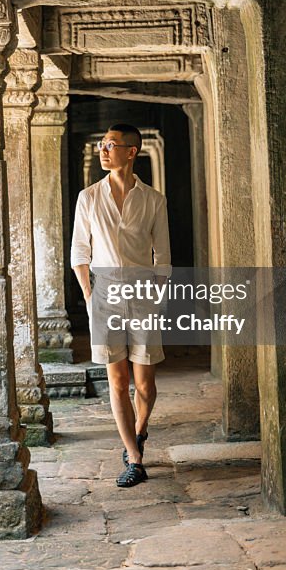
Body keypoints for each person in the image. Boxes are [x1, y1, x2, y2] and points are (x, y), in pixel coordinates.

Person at [70, 123, 171, 488]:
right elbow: (79, 252)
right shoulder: (89, 198)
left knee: (144, 383)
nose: (103, 150)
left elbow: (163, 257)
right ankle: (134, 456)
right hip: (105, 293)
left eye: (111, 145)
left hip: (144, 292)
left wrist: (158, 300)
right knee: (117, 379)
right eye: (101, 144)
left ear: (131, 151)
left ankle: (140, 430)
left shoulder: (154, 200)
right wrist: (88, 295)